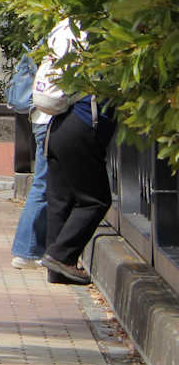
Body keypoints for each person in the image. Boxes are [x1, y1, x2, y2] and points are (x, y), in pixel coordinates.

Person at [38, 18, 114, 286]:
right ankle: (61, 256)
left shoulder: (64, 28)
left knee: (60, 200)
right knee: (96, 200)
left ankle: (57, 268)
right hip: (81, 126)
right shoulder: (101, 35)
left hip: (58, 126)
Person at [10, 41, 53, 270]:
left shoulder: (48, 39)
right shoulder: (66, 37)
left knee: (43, 183)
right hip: (49, 119)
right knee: (43, 184)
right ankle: (27, 250)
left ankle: (32, 249)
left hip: (39, 117)